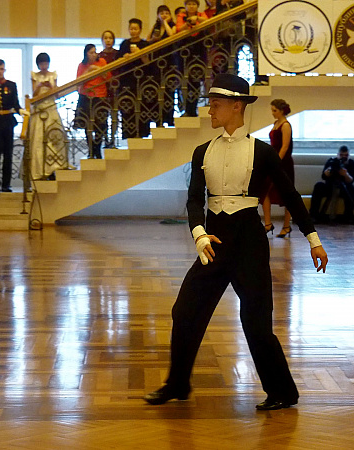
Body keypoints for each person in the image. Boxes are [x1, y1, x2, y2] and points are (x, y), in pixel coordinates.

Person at [143, 73, 328, 410]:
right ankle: (177, 384)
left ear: (237, 106)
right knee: (184, 311)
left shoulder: (263, 152)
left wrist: (313, 239)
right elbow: (194, 200)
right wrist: (199, 234)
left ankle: (282, 392)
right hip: (213, 242)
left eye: (215, 105)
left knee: (256, 323)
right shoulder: (202, 152)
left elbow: (290, 195)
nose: (210, 111)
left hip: (249, 244)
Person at [0, 59, 29, 193]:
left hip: (8, 122)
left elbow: (15, 103)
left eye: (1, 69)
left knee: (8, 154)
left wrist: (21, 111)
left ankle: (6, 184)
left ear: (5, 70)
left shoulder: (11, 85)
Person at [29, 53, 70, 180]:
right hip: (40, 109)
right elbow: (33, 96)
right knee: (39, 140)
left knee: (55, 137)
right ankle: (40, 170)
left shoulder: (53, 75)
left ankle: (54, 168)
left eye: (46, 63)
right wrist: (39, 86)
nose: (44, 66)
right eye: (41, 64)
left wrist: (51, 87)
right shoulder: (35, 76)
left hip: (51, 109)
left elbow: (57, 94)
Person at [261, 99, 294, 237]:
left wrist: (276, 162)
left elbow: (285, 147)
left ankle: (286, 226)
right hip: (274, 161)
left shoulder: (285, 125)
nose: (272, 113)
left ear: (281, 111)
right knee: (264, 192)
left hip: (283, 164)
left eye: (274, 110)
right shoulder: (276, 124)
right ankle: (268, 224)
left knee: (287, 195)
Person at [117, 18, 151, 138]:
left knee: (142, 106)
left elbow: (148, 62)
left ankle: (143, 132)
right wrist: (125, 57)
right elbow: (118, 61)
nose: (133, 31)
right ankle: (128, 133)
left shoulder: (145, 44)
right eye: (131, 28)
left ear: (140, 30)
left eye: (135, 29)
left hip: (141, 80)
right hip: (127, 80)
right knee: (127, 106)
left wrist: (139, 52)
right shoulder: (124, 44)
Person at [75, 44, 110, 159]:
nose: (94, 54)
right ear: (86, 54)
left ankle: (97, 148)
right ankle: (90, 150)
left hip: (100, 96)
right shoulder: (82, 65)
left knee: (101, 124)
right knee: (87, 125)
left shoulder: (102, 62)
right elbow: (78, 82)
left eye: (95, 52)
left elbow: (108, 77)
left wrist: (98, 69)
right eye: (91, 52)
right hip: (86, 96)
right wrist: (89, 70)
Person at [177, 0, 209, 117]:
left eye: (194, 4)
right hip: (185, 52)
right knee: (185, 80)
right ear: (185, 6)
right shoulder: (181, 16)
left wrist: (197, 19)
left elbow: (208, 22)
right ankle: (186, 109)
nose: (191, 6)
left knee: (196, 81)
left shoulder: (201, 15)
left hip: (199, 50)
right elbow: (179, 29)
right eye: (189, 4)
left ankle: (193, 109)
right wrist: (188, 23)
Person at [309, 145, 354, 224]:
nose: (343, 157)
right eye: (341, 155)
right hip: (329, 186)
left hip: (343, 188)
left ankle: (348, 217)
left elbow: (351, 180)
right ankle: (313, 215)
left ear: (349, 155)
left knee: (351, 188)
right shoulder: (331, 161)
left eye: (346, 155)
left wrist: (345, 175)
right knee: (318, 186)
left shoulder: (352, 163)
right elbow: (323, 176)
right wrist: (327, 173)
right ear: (338, 155)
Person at [148, 5, 178, 128]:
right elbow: (148, 39)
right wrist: (154, 37)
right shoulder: (155, 26)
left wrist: (165, 23)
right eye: (161, 13)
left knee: (169, 90)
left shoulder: (172, 25)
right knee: (157, 91)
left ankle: (169, 118)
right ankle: (158, 119)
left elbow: (172, 36)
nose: (164, 15)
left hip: (169, 61)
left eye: (166, 13)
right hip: (156, 61)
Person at [98, 30, 118, 147]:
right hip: (103, 88)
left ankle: (113, 139)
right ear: (102, 40)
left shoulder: (118, 54)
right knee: (103, 115)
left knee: (114, 114)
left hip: (115, 87)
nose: (108, 40)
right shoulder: (99, 56)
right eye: (105, 38)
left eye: (110, 38)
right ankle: (105, 139)